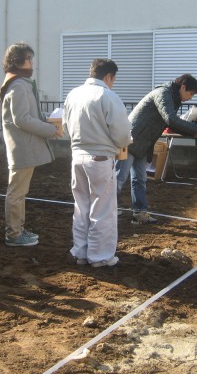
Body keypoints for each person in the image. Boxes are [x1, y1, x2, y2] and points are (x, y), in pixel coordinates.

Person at [64, 59, 131, 267]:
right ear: (108, 77)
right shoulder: (107, 96)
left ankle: (80, 252)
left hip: (77, 156)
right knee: (102, 209)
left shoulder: (73, 94)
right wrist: (125, 142)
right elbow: (121, 133)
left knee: (81, 207)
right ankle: (100, 256)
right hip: (100, 158)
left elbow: (65, 126)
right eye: (114, 79)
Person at [116, 74, 197, 224]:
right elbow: (171, 119)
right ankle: (107, 210)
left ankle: (139, 213)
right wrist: (196, 128)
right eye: (190, 93)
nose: (190, 98)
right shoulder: (163, 93)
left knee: (140, 179)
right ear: (183, 87)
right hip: (129, 140)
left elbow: (170, 123)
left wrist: (195, 131)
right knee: (119, 177)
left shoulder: (172, 97)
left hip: (143, 142)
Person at [0, 42, 61, 247]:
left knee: (19, 192)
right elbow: (23, 119)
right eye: (28, 58)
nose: (31, 62)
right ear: (17, 61)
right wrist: (50, 129)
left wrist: (47, 120)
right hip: (23, 148)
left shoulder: (19, 84)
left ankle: (18, 230)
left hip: (24, 147)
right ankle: (14, 234)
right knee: (17, 193)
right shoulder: (18, 85)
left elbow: (28, 116)